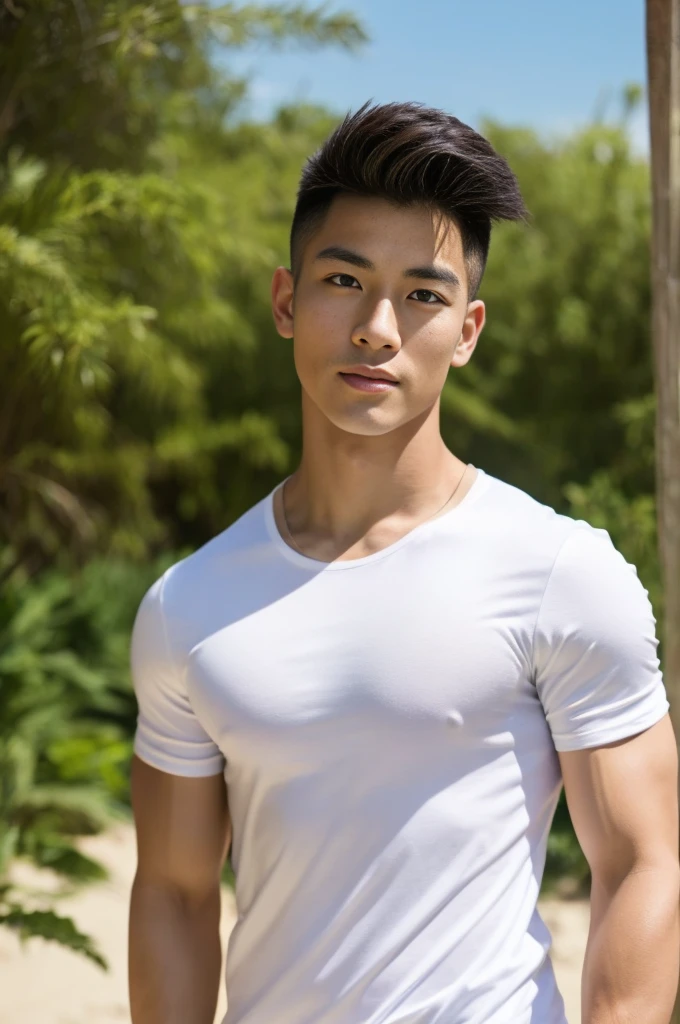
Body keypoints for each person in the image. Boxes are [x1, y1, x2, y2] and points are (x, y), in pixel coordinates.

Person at [128, 101, 679, 1024]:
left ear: (467, 330)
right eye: (344, 279)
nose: (379, 327)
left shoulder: (560, 571)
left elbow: (644, 864)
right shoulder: (190, 606)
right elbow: (174, 896)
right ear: (286, 301)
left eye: (424, 294)